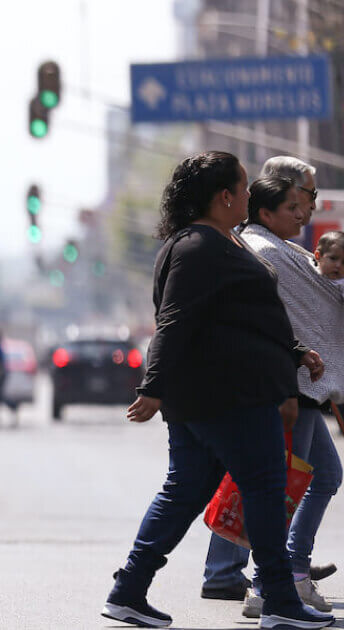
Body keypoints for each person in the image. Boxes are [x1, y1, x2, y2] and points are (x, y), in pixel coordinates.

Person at [100, 151, 333, 629]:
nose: (250, 195)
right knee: (266, 488)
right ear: (224, 196)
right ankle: (280, 603)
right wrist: (153, 386)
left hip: (217, 394)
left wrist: (292, 352)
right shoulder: (197, 247)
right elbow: (175, 319)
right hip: (229, 396)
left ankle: (128, 590)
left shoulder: (219, 241)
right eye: (245, 187)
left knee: (185, 491)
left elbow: (239, 318)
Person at [197, 176, 344, 618]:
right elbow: (290, 319)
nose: (304, 216)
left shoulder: (282, 251)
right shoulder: (267, 254)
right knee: (281, 487)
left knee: (319, 475)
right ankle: (270, 584)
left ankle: (289, 571)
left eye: (307, 206)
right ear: (266, 213)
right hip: (289, 389)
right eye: (294, 207)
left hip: (301, 386)